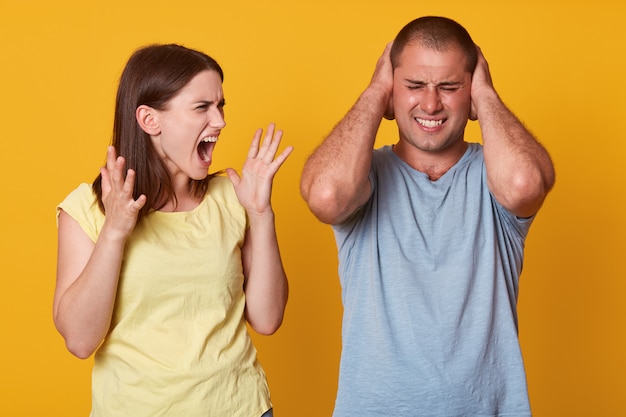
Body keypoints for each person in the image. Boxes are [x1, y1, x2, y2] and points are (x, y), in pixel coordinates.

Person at [300, 16, 555, 416]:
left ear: (470, 91)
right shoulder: (364, 177)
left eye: (450, 87)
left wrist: (485, 95)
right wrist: (374, 92)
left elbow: (525, 185)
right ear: (391, 92)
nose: (432, 103)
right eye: (414, 86)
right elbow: (326, 195)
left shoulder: (495, 178)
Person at [53, 43, 292, 417]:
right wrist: (114, 231)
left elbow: (268, 318)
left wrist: (260, 214)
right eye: (202, 107)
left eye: (220, 106)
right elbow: (80, 340)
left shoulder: (232, 197)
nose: (220, 121)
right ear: (150, 120)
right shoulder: (88, 209)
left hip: (241, 407)